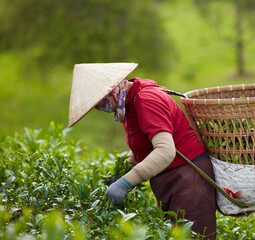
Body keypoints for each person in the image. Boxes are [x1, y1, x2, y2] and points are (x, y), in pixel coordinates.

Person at [68, 63, 216, 239]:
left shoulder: (146, 100)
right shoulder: (129, 103)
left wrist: (126, 182)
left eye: (99, 103)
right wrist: (120, 173)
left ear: (111, 91)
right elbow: (143, 149)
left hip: (189, 180)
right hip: (173, 180)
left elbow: (165, 151)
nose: (100, 109)